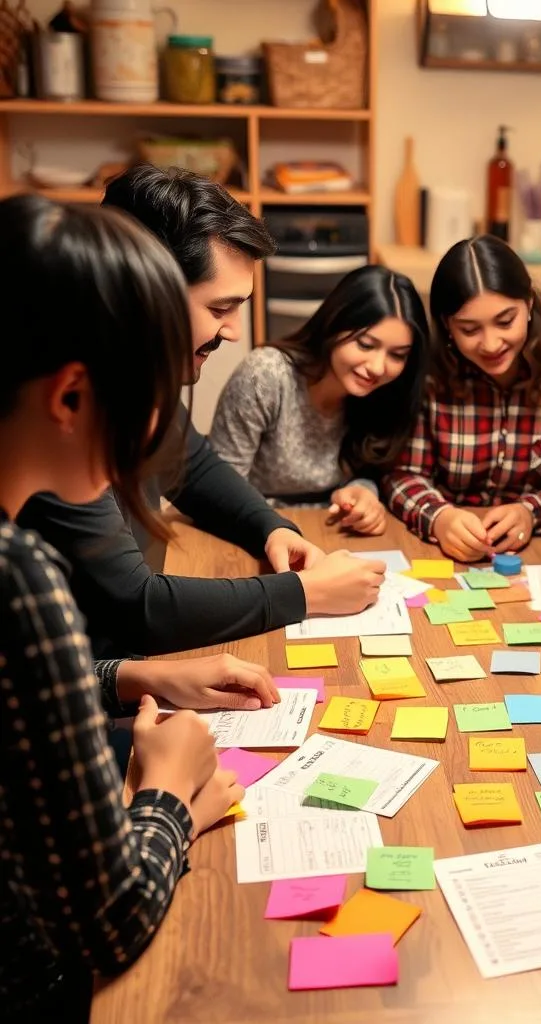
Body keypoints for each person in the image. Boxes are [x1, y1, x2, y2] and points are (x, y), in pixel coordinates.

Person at [0, 195, 275, 1018]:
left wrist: (127, 677)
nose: (164, 426)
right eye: (154, 388)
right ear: (73, 395)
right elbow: (107, 924)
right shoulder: (21, 575)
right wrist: (171, 796)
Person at [17, 166, 384, 657]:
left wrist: (270, 527)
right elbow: (134, 606)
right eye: (219, 309)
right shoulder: (68, 418)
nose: (234, 331)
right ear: (148, 291)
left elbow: (190, 463)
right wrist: (307, 594)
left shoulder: (141, 372)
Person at [382, 235, 541, 561]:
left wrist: (531, 511)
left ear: (530, 303)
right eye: (469, 329)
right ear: (447, 326)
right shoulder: (430, 375)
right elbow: (403, 474)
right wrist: (439, 518)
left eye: (505, 321)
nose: (491, 344)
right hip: (444, 552)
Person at [210, 264, 429, 531]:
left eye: (398, 355)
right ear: (335, 324)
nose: (378, 367)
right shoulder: (266, 375)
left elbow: (367, 472)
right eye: (366, 345)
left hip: (334, 533)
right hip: (251, 529)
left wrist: (364, 493)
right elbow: (219, 491)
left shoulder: (386, 392)